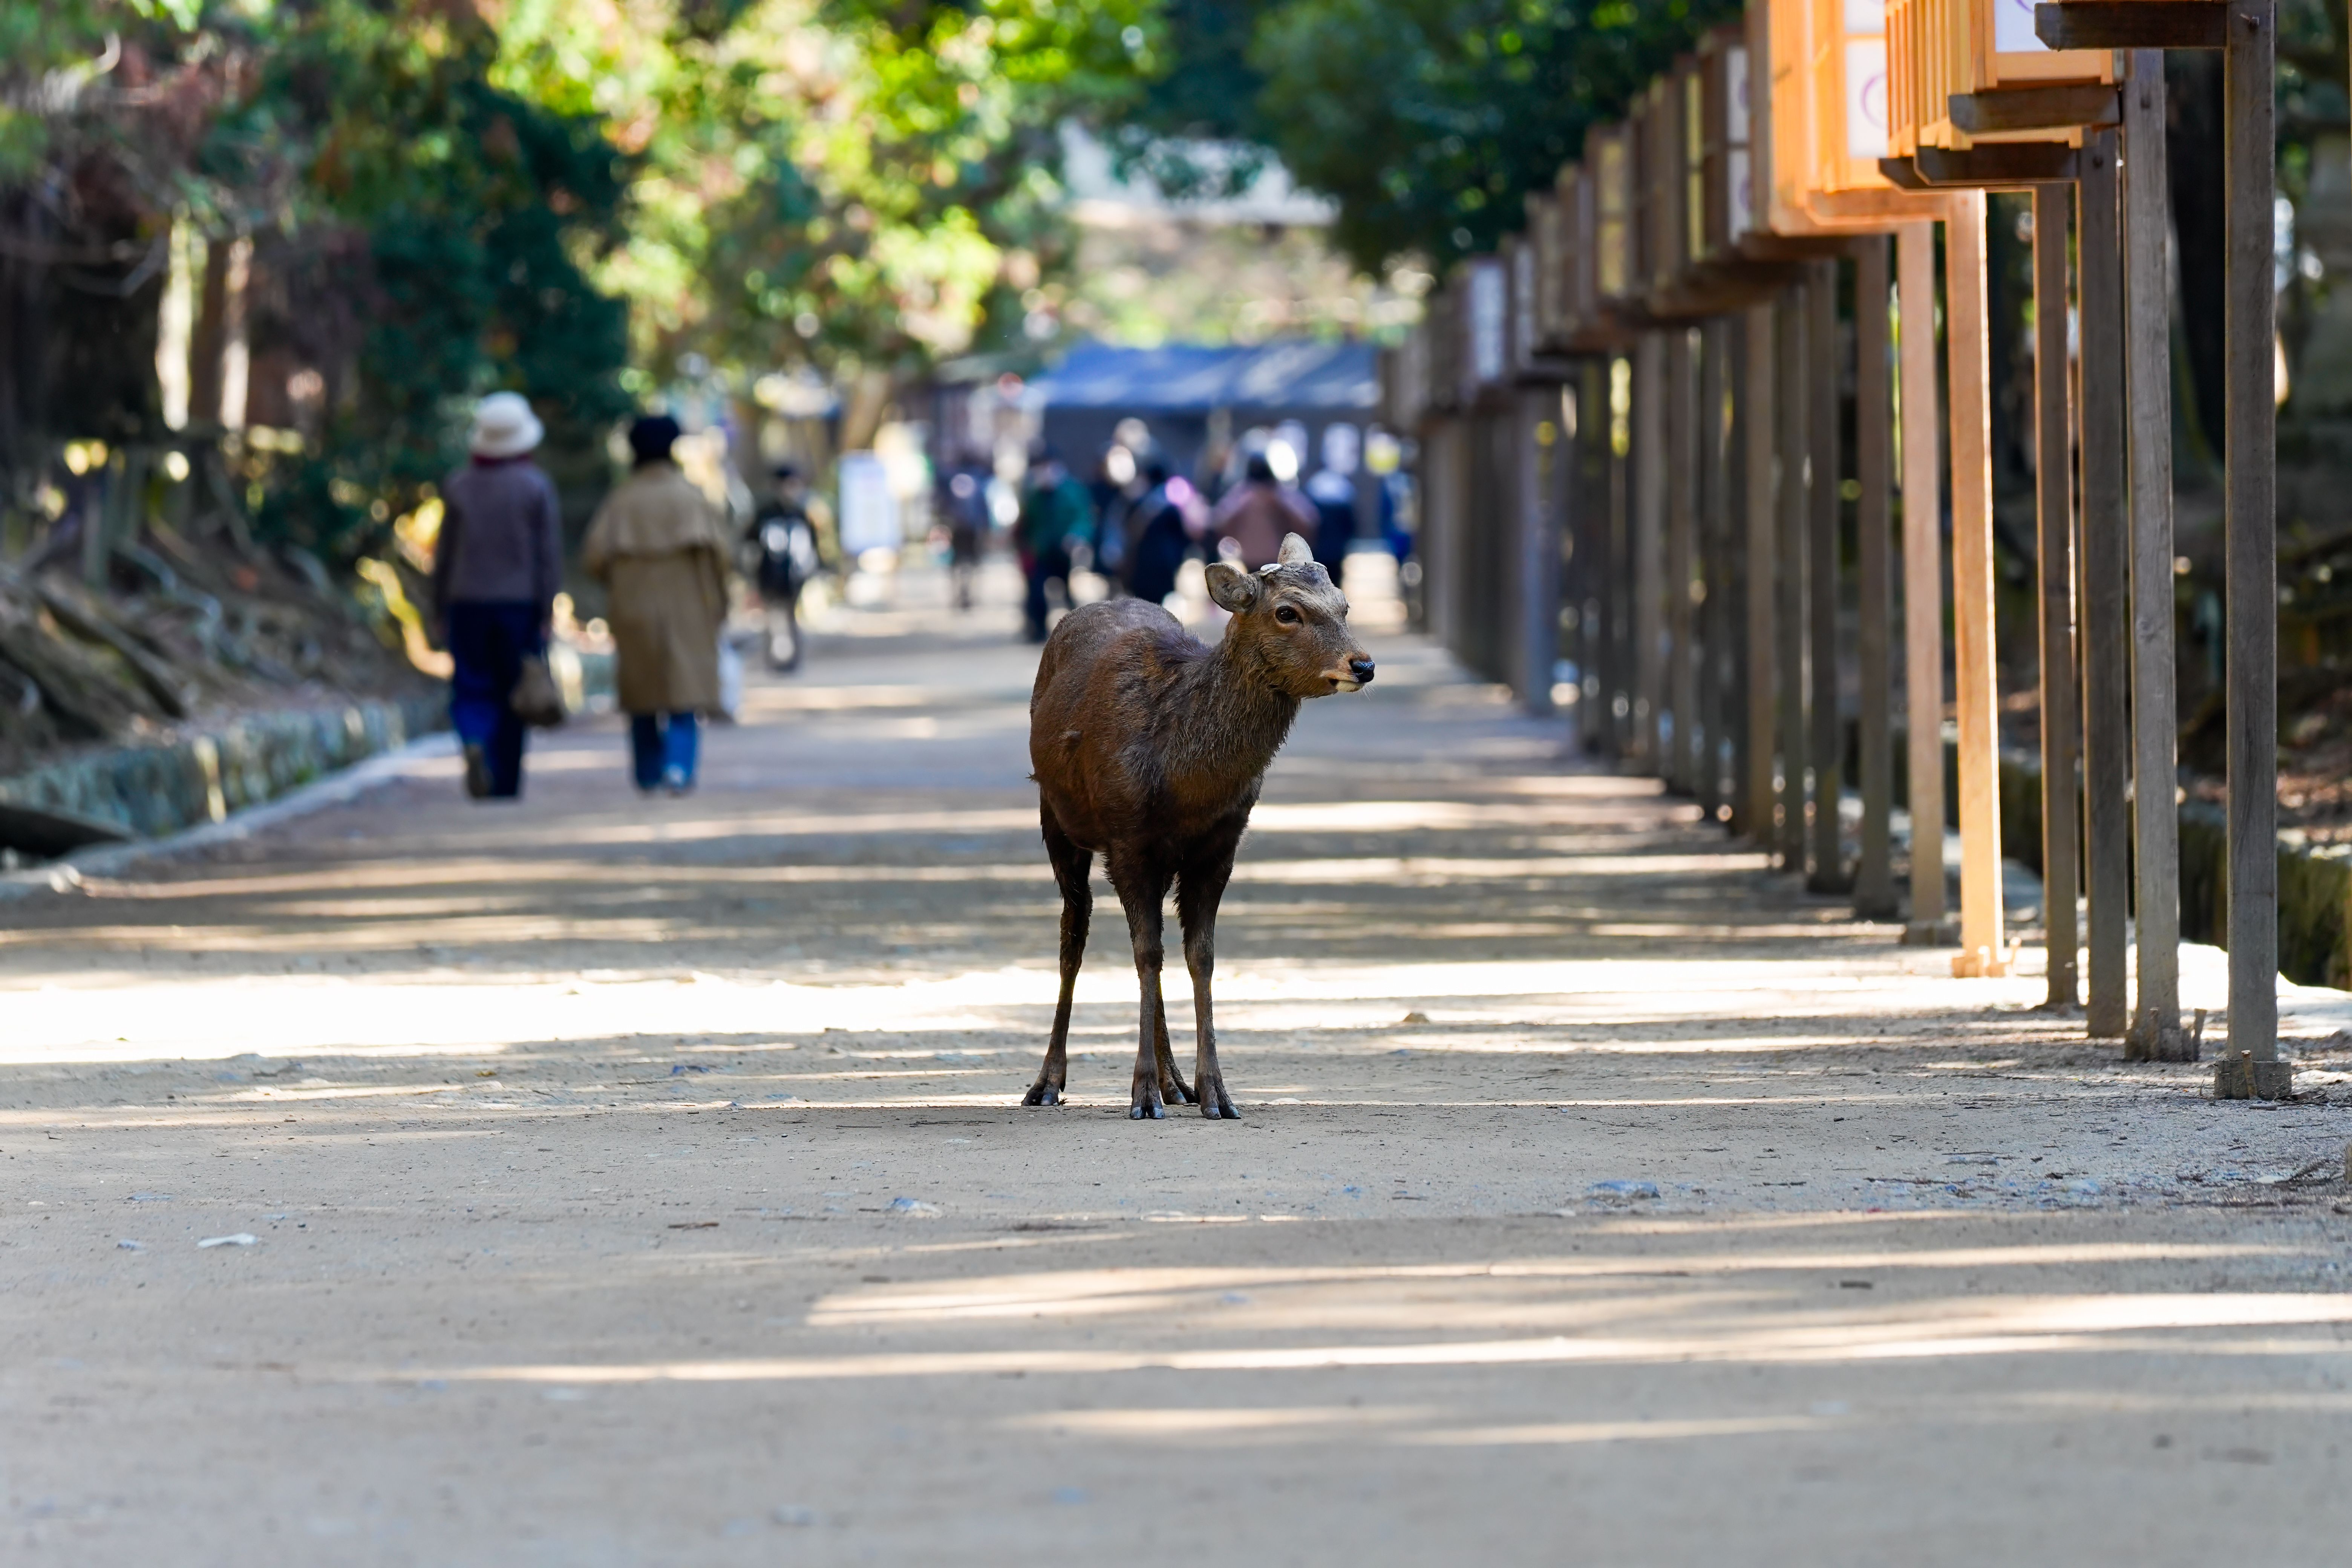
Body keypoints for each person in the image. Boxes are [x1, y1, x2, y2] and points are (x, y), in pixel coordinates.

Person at [583, 415, 732, 795]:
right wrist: (721, 603)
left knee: (642, 692)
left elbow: (594, 559)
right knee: (686, 691)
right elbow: (722, 557)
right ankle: (679, 767)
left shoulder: (622, 501)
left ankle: (648, 773)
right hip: (689, 607)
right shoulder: (692, 497)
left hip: (633, 607)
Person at [433, 391, 564, 801]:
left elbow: (444, 554)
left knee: (472, 684)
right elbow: (548, 556)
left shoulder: (458, 486)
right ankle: (505, 781)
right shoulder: (535, 487)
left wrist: (438, 607)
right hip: (519, 604)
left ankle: (473, 739)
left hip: (465, 600)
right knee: (515, 691)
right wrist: (548, 608)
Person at [746, 463, 821, 670]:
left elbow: (812, 546)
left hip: (794, 577)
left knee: (792, 617)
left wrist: (812, 570)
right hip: (769, 576)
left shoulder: (800, 514)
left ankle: (793, 658)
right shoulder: (764, 514)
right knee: (773, 618)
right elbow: (751, 545)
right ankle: (774, 659)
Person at [1016, 445, 1094, 643]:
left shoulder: (1073, 490)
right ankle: (1037, 630)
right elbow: (1027, 523)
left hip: (1063, 553)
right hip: (1040, 553)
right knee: (1036, 593)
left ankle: (1078, 632)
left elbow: (1084, 517)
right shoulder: (1034, 495)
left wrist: (1076, 536)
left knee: (1067, 594)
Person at [1210, 452, 1318, 570]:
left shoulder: (1278, 495)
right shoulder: (1245, 495)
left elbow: (1309, 521)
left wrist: (1277, 502)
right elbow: (1219, 521)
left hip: (1278, 559)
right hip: (1253, 558)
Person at [1121, 461, 1202, 609]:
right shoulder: (1171, 508)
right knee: (1159, 605)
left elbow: (1127, 530)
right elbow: (1184, 536)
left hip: (1143, 562)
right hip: (1166, 562)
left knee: (1143, 603)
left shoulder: (1139, 503)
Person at [936, 449, 991, 612]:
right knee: (974, 563)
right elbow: (984, 508)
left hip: (955, 527)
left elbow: (942, 505)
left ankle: (957, 595)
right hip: (973, 528)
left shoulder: (950, 478)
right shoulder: (979, 480)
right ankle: (971, 594)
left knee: (955, 564)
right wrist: (987, 528)